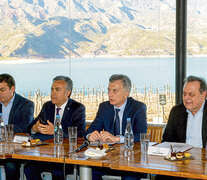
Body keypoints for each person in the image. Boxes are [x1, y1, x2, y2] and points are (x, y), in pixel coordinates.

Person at [85, 74, 147, 180]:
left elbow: (141, 136)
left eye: (115, 91)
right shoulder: (104, 107)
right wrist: (91, 135)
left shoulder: (138, 107)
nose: (110, 94)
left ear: (126, 93)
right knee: (90, 172)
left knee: (130, 177)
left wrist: (117, 139)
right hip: (108, 157)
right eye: (109, 90)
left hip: (131, 159)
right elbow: (91, 129)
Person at [24, 75, 86, 180]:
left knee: (58, 171)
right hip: (47, 153)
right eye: (52, 89)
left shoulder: (77, 108)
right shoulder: (47, 106)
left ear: (68, 92)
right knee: (29, 168)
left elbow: (79, 132)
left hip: (66, 156)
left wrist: (56, 131)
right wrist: (35, 128)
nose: (53, 93)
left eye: (57, 90)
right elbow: (30, 127)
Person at [156, 75, 207, 180]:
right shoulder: (176, 111)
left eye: (191, 94)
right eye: (184, 94)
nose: (186, 98)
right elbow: (166, 140)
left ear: (203, 95)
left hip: (204, 164)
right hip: (180, 162)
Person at [0, 73, 34, 180]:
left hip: (17, 149)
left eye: (2, 90)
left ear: (12, 89)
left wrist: (2, 131)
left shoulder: (26, 104)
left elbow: (24, 127)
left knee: (10, 166)